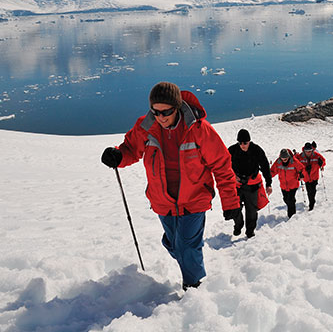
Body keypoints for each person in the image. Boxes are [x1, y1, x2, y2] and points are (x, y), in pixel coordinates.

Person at [100, 81, 241, 290]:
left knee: (186, 245)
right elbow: (130, 149)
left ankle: (193, 286)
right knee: (176, 244)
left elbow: (221, 165)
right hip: (163, 202)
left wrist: (230, 202)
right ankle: (186, 258)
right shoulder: (146, 126)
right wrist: (118, 156)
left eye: (166, 111)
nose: (161, 117)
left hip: (194, 200)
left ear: (177, 107)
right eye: (155, 112)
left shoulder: (199, 129)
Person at [227, 128, 272, 238]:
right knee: (235, 207)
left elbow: (265, 166)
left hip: (252, 185)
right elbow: (225, 166)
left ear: (249, 141)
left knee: (251, 210)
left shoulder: (257, 150)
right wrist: (233, 176)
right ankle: (238, 225)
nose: (243, 145)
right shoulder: (232, 150)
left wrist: (268, 183)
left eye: (245, 143)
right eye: (240, 143)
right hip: (237, 184)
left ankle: (250, 231)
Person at [270, 148, 305, 218]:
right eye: (282, 158)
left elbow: (301, 169)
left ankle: (291, 216)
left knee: (290, 200)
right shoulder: (278, 162)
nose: (284, 160)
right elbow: (273, 171)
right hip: (283, 185)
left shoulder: (294, 161)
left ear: (288, 156)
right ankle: (291, 209)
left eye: (285, 158)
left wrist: (301, 175)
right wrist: (268, 175)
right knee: (286, 199)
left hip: (293, 185)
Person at [295, 141, 326, 211]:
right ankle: (311, 204)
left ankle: (312, 201)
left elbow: (323, 161)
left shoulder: (316, 155)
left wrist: (321, 164)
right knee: (309, 191)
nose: (308, 152)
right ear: (304, 150)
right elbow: (296, 164)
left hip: (314, 176)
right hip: (306, 177)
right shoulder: (300, 156)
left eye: (310, 151)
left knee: (313, 190)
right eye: (307, 151)